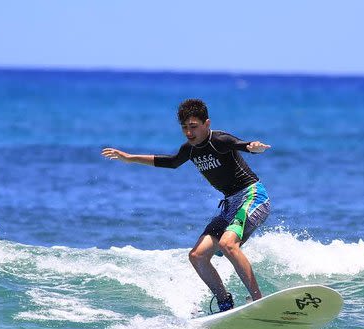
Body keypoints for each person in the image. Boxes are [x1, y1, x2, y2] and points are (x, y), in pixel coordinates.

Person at [102, 99, 271, 312]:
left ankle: (258, 301)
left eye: (193, 127)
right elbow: (171, 162)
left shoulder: (219, 140)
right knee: (197, 255)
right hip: (230, 206)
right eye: (184, 128)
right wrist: (130, 158)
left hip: (252, 197)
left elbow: (242, 145)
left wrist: (253, 147)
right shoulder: (189, 150)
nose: (189, 133)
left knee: (228, 245)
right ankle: (225, 303)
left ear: (206, 124)